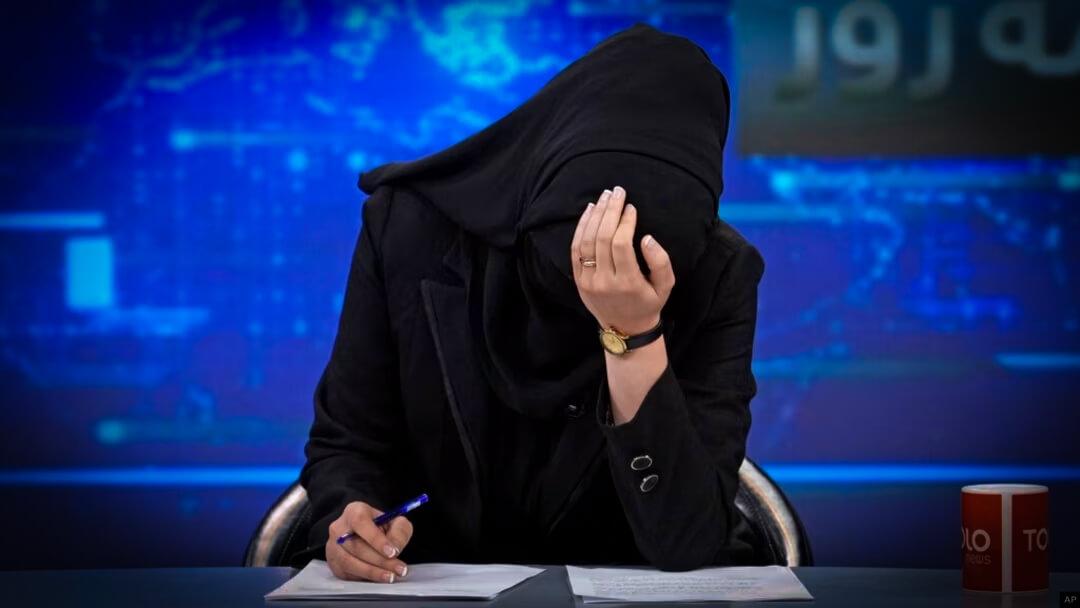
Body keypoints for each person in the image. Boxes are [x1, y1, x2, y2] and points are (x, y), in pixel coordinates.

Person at [295, 23, 769, 581]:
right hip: (422, 582)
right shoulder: (407, 231)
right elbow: (349, 442)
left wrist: (633, 337)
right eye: (575, 255)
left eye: (632, 262)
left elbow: (688, 541)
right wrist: (349, 517)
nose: (599, 276)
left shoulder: (718, 275)